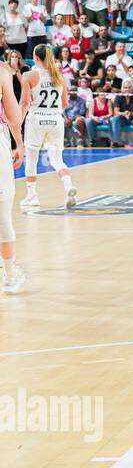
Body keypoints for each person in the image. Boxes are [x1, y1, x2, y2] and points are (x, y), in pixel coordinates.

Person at [19, 44, 77, 210]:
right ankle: (68, 187)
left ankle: (32, 196)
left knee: (31, 158)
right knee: (57, 160)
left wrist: (17, 124)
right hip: (55, 119)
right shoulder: (59, 75)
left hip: (36, 118)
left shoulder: (29, 75)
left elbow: (24, 102)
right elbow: (64, 103)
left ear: (36, 58)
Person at [0, 57, 25, 292]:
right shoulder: (1, 72)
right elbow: (14, 118)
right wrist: (19, 144)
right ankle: (8, 275)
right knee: (3, 213)